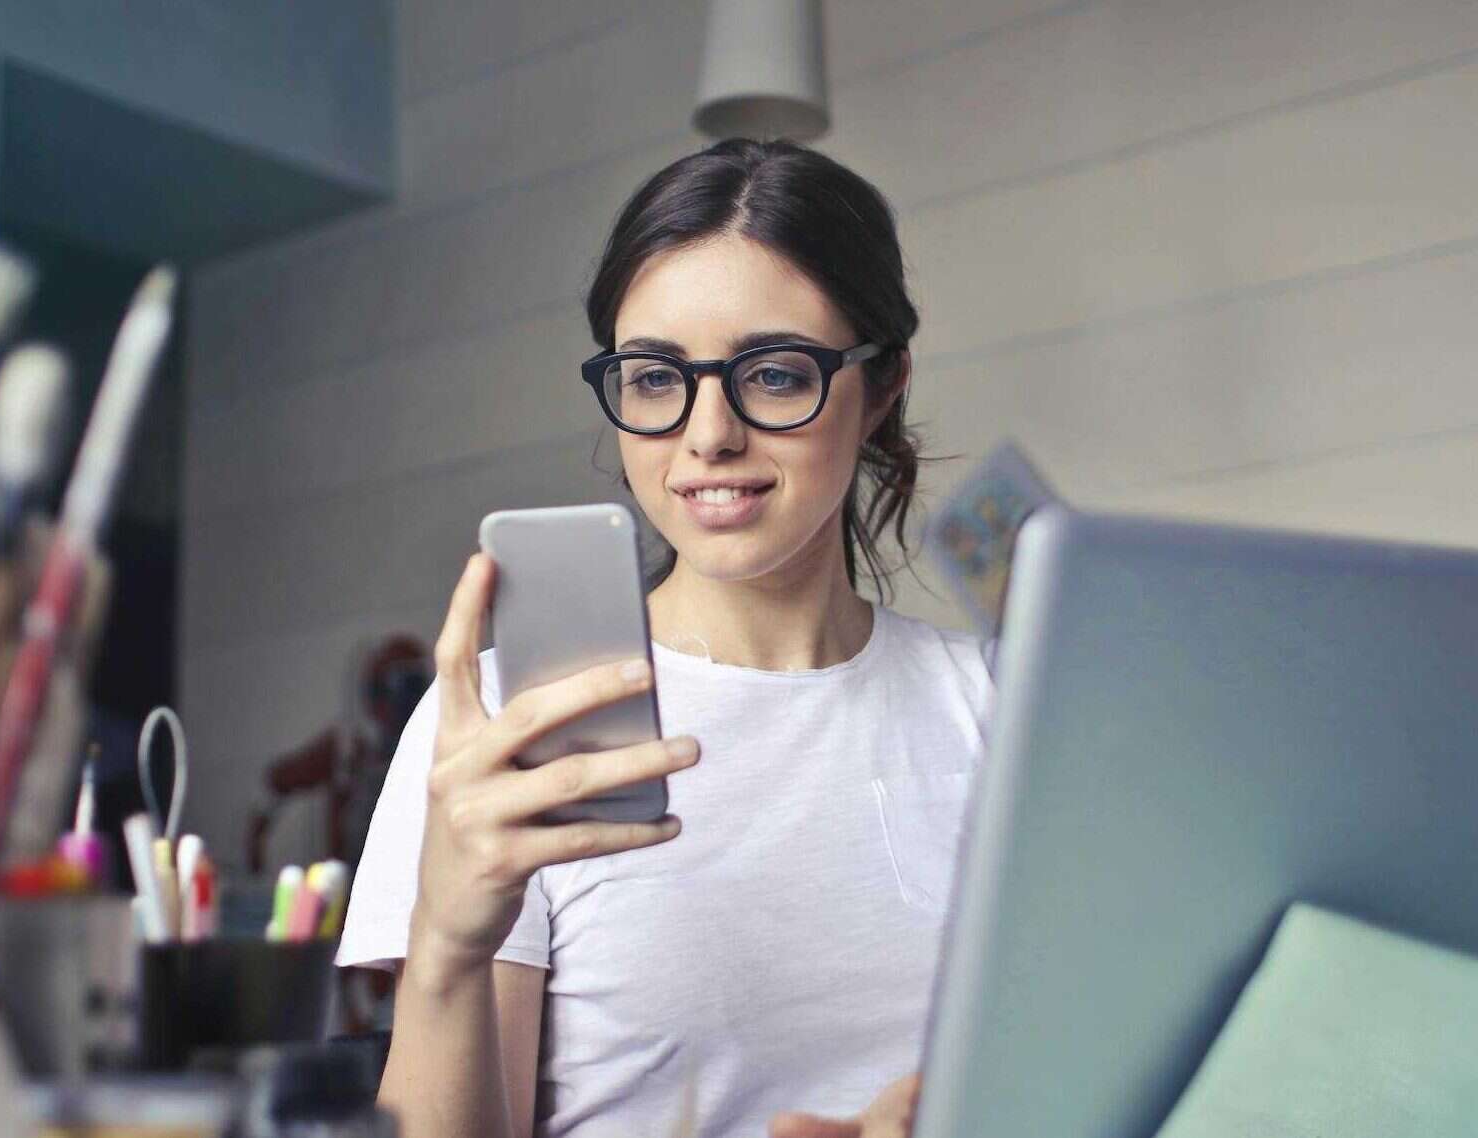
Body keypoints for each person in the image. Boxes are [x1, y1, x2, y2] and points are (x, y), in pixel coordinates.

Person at [338, 138, 991, 1138]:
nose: (707, 435)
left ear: (883, 384)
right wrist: (444, 950)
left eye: (773, 373)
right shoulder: (515, 726)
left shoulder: (999, 707)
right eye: (654, 378)